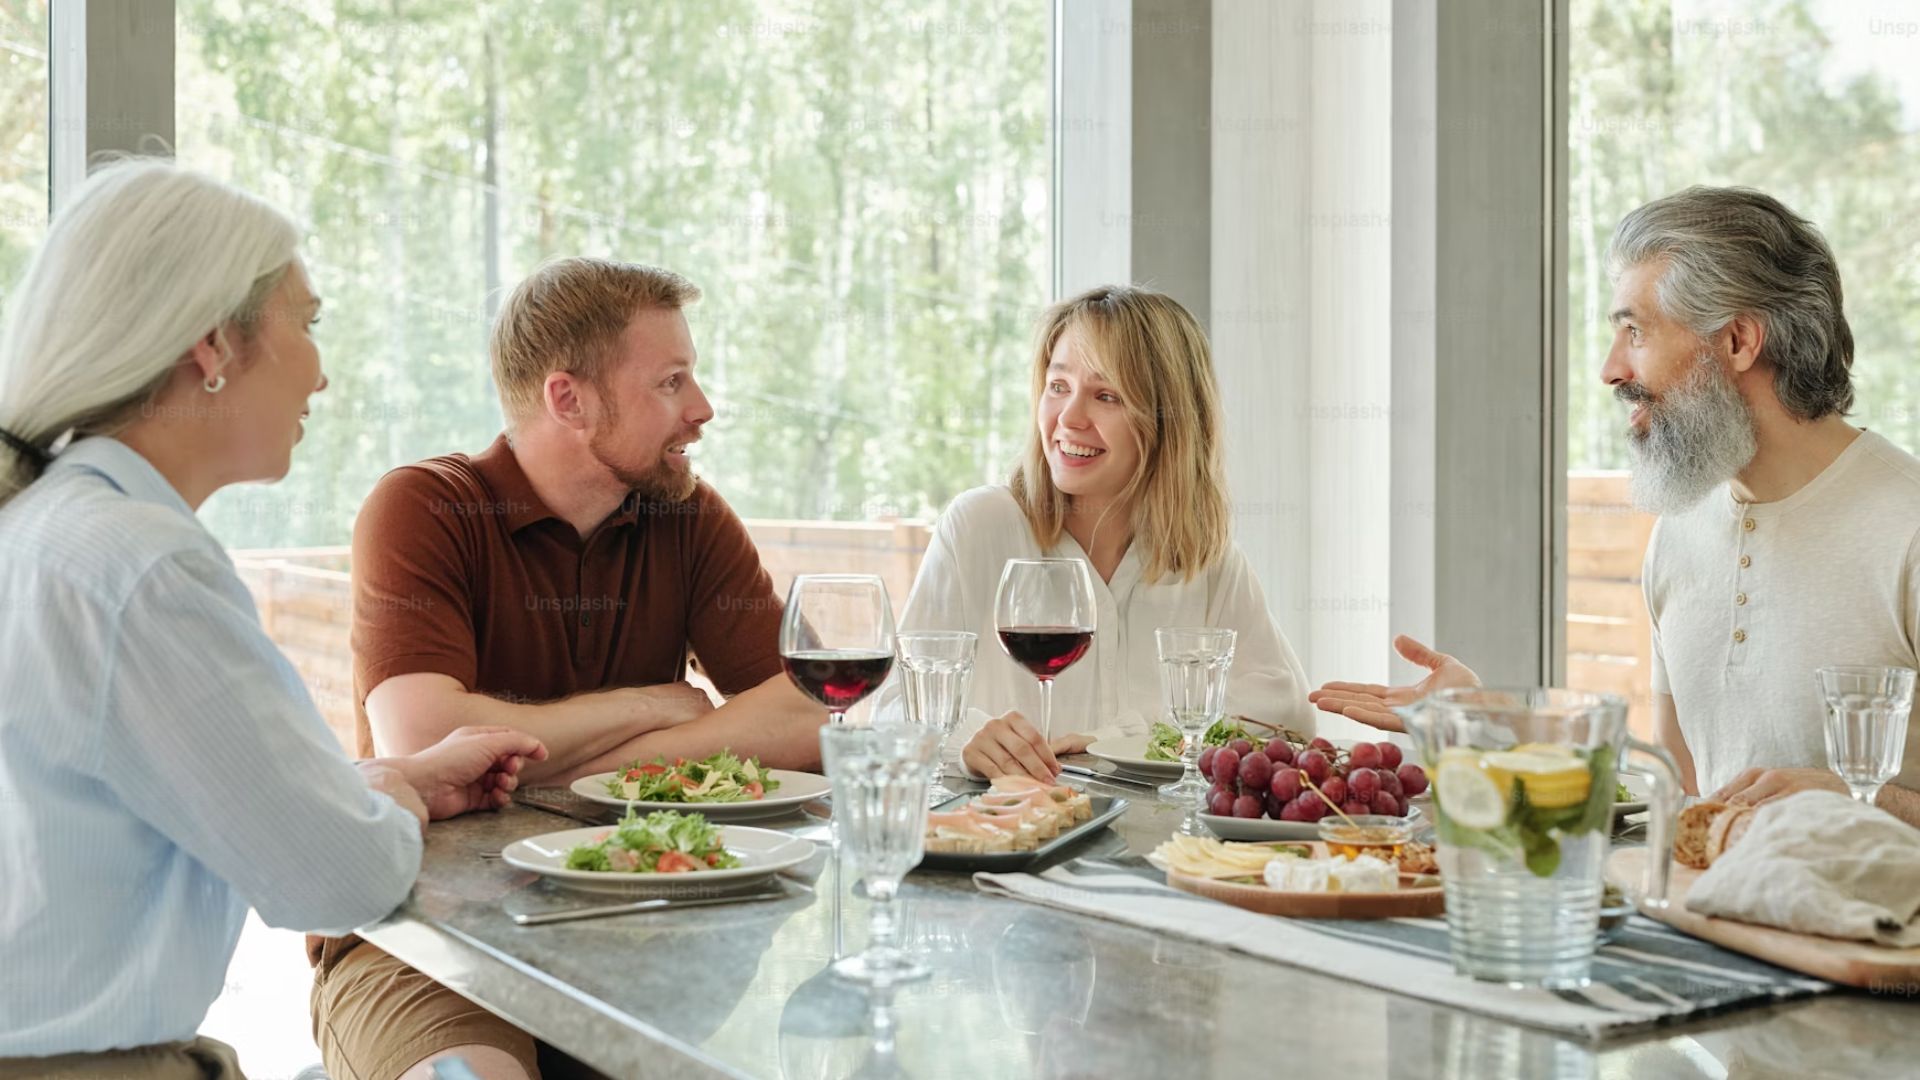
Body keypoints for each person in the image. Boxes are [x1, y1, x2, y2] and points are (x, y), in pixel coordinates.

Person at [0, 159, 546, 1079]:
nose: (323, 374)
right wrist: (394, 798)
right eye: (308, 323)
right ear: (213, 346)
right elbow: (338, 877)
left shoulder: (47, 529)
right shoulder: (143, 568)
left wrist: (382, 779)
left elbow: (193, 794)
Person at [310, 256, 825, 1080]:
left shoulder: (686, 515)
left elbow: (807, 712)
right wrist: (654, 705)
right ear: (569, 399)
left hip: (651, 917)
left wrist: (574, 774)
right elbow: (425, 734)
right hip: (423, 937)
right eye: (671, 382)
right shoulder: (424, 508)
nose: (702, 409)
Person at [1310, 186, 1920, 828]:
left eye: (1636, 331)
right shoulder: (1681, 533)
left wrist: (1853, 802)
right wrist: (1487, 726)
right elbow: (1677, 793)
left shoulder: (1904, 527)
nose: (1609, 368)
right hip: (1709, 917)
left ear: (1738, 341)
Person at [873, 284, 1312, 781]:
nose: (1069, 418)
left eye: (1106, 396)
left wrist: (1128, 738)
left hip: (1160, 848)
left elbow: (1285, 718)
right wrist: (962, 739)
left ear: (1169, 421)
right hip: (1008, 839)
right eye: (1058, 387)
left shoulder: (1200, 554)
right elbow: (891, 710)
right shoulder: (981, 525)